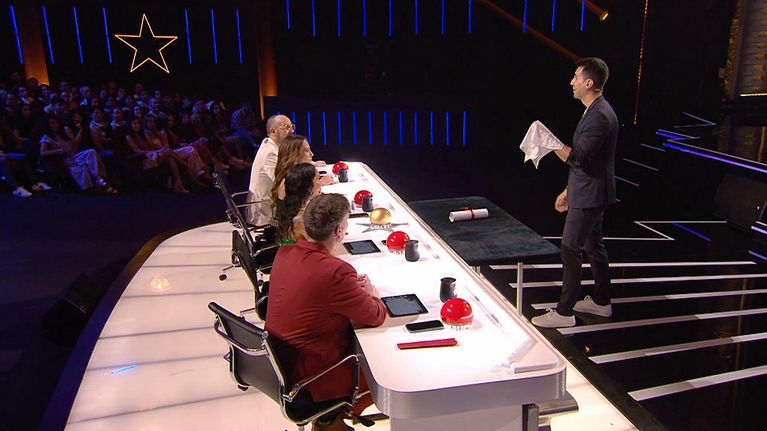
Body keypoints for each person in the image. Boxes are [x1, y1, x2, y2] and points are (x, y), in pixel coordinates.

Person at [265, 193, 386, 431]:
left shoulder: (285, 252)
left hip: (280, 363)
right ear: (340, 230)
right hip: (314, 376)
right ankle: (333, 419)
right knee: (385, 367)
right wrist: (372, 294)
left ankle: (331, 419)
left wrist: (350, 291)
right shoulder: (336, 272)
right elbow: (375, 316)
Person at [532, 57, 618, 328]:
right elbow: (590, 161)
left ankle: (564, 312)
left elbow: (578, 158)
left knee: (570, 248)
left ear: (589, 83)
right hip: (588, 190)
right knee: (594, 246)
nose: (572, 82)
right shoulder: (594, 110)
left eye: (576, 78)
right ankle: (601, 302)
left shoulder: (600, 116)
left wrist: (550, 142)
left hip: (590, 195)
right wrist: (569, 189)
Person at [39, 115, 116, 193]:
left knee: (91, 152)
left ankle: (99, 178)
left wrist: (80, 131)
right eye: (52, 123)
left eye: (56, 123)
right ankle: (100, 182)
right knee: (83, 165)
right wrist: (59, 150)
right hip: (64, 159)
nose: (55, 125)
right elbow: (43, 153)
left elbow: (75, 145)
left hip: (74, 155)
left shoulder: (63, 134)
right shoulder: (47, 137)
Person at [247, 114, 294, 225]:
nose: (291, 131)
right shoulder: (270, 153)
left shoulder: (272, 146)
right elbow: (284, 182)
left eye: (292, 127)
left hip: (271, 204)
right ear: (273, 131)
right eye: (287, 127)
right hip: (266, 214)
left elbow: (289, 166)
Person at [275, 163, 323, 242]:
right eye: (318, 179)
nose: (321, 183)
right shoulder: (303, 222)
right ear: (309, 187)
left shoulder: (286, 207)